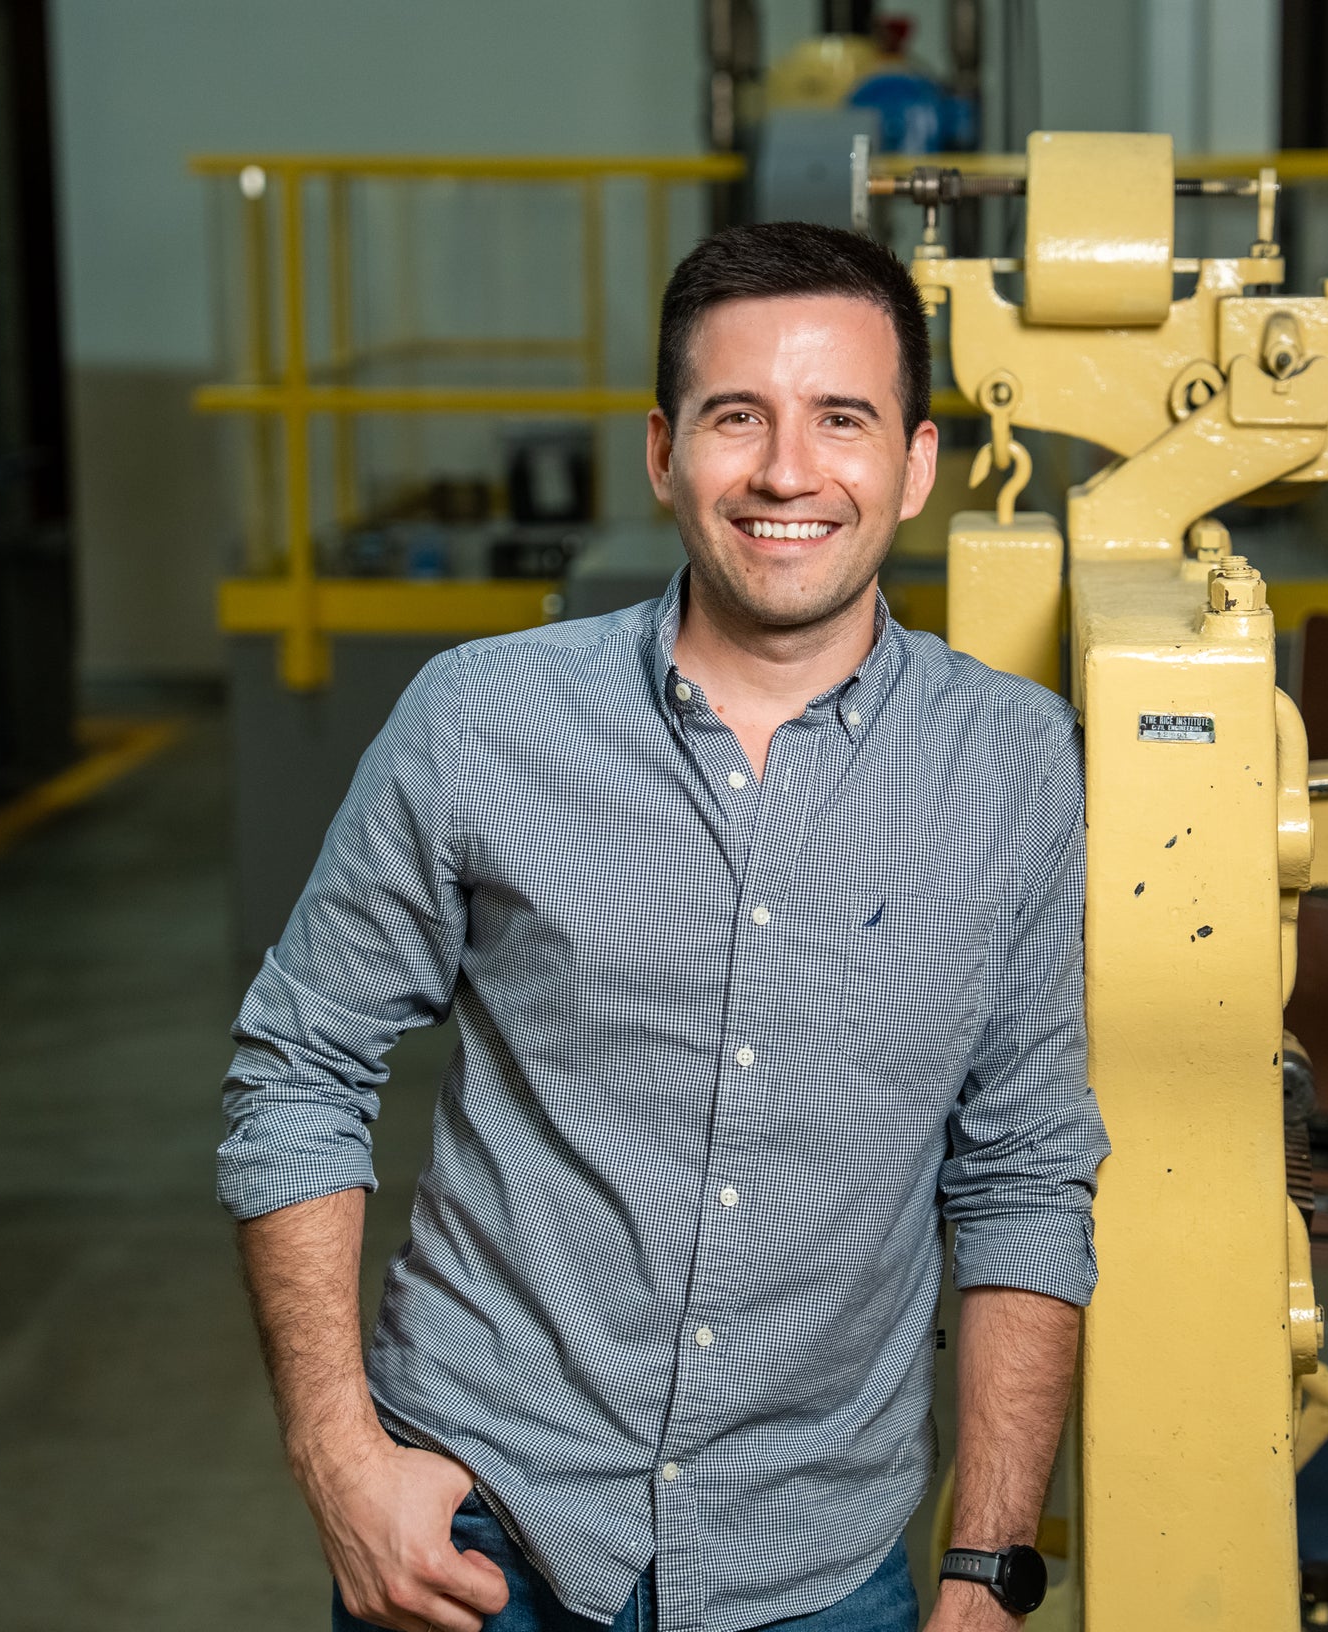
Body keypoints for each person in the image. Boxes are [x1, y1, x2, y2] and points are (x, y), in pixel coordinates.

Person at [220, 220, 1107, 1632]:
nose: (786, 471)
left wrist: (987, 1568)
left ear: (916, 465)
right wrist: (338, 1460)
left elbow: (1022, 1175)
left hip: (816, 1568)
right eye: (735, 417)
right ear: (660, 450)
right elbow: (299, 1068)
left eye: (841, 420)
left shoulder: (1010, 764)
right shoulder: (480, 723)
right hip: (472, 1539)